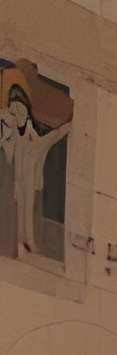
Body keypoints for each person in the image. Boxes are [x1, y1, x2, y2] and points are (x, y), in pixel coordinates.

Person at [0, 81, 71, 267]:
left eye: (21, 110)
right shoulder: (12, 137)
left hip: (31, 184)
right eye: (14, 110)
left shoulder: (35, 143)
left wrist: (70, 125)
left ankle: (28, 242)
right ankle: (19, 243)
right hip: (16, 184)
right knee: (17, 211)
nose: (18, 114)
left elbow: (55, 136)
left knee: (27, 210)